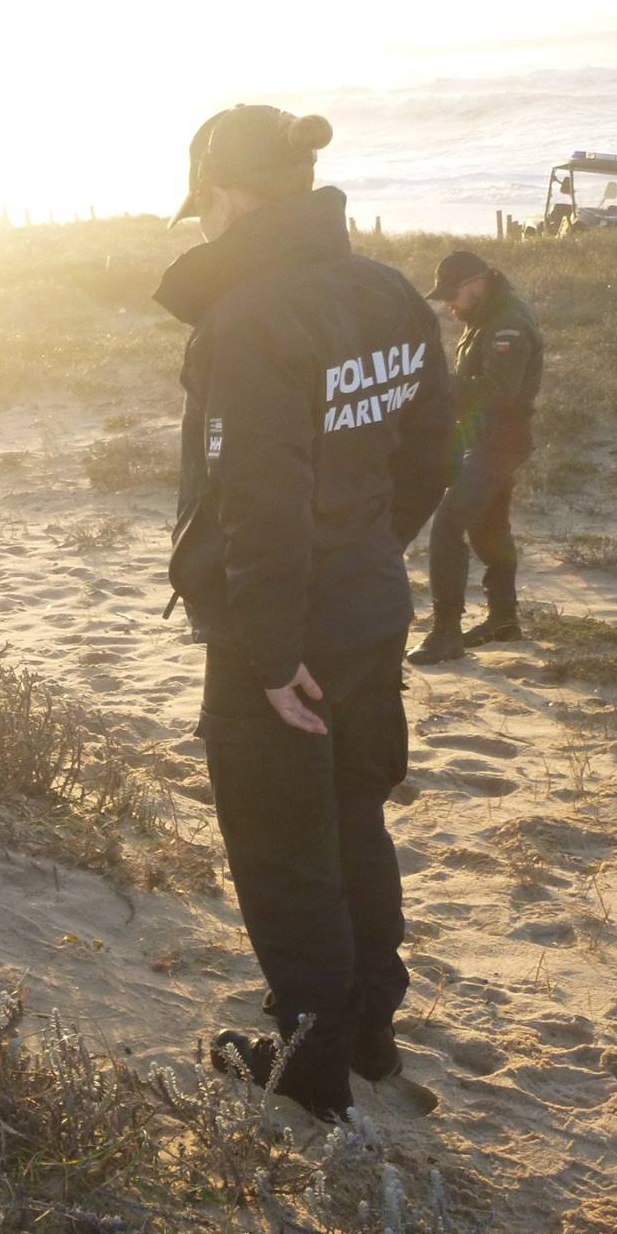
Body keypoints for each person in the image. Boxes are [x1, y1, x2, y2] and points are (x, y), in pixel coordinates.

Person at [155, 105, 454, 1121]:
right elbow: (427, 455)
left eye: (203, 203)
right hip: (370, 612)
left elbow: (257, 503)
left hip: (282, 634)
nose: (201, 224)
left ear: (229, 195)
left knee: (284, 852)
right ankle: (368, 1033)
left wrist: (273, 652)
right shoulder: (388, 294)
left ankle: (310, 1070)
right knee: (352, 820)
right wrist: (364, 550)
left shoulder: (249, 316)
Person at [409, 251, 544, 664]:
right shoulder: (490, 315)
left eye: (454, 295)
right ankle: (504, 619)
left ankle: (446, 632)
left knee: (448, 526)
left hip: (499, 441)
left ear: (478, 282)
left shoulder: (508, 326)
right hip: (486, 438)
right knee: (488, 526)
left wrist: (438, 383)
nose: (449, 304)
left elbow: (499, 392)